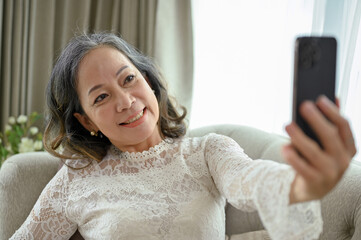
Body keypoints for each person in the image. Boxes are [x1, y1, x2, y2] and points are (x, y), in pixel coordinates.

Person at [10, 32, 356, 240]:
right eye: (101, 97)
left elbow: (250, 182)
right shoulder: (75, 180)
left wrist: (305, 182)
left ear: (148, 81)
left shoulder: (207, 152)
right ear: (86, 121)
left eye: (129, 79)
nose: (126, 101)